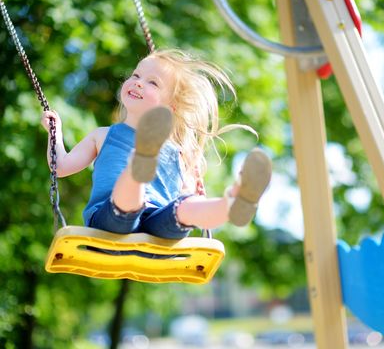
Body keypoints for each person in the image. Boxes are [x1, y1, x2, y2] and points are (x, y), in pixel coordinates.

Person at [41, 49, 272, 241]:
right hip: (109, 222)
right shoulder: (103, 136)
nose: (138, 83)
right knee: (128, 204)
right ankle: (138, 167)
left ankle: (231, 203)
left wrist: (193, 186)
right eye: (135, 75)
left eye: (152, 82)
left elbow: (186, 195)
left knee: (186, 207)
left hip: (158, 228)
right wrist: (55, 133)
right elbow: (60, 166)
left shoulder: (177, 151)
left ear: (170, 108)